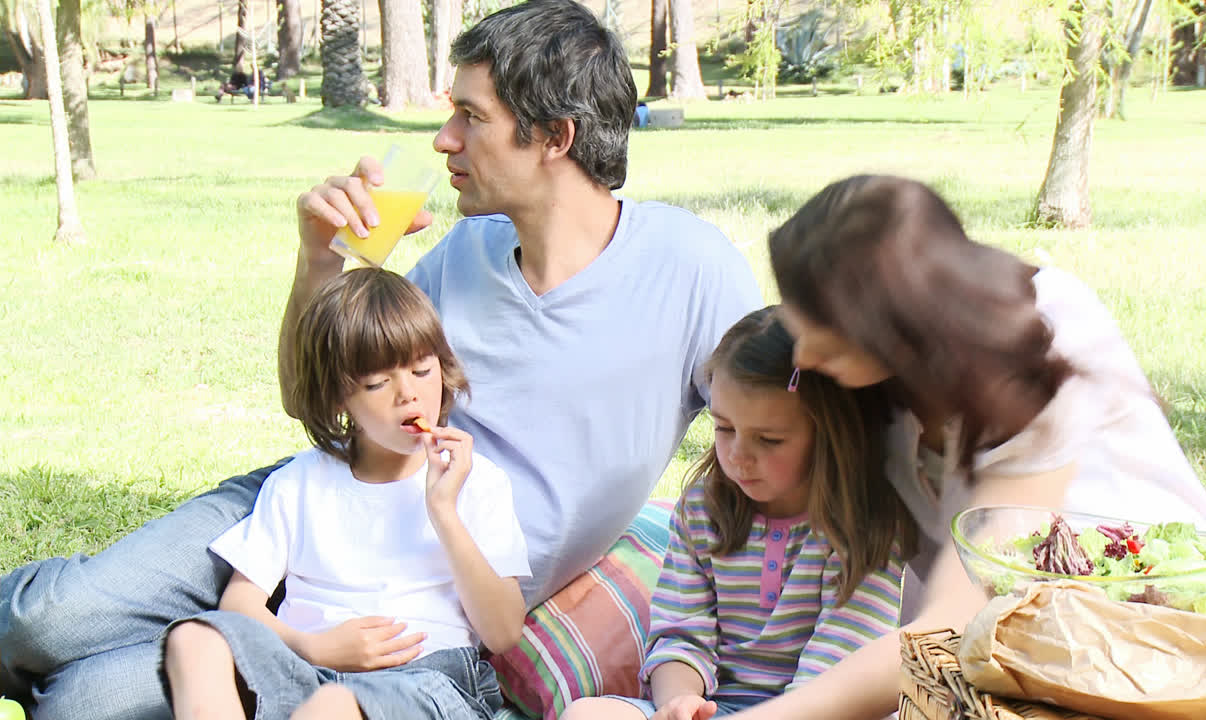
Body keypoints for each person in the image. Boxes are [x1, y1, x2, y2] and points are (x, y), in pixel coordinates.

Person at [0, 1, 761, 717]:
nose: (442, 140)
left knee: (89, 698)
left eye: (471, 116)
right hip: (322, 502)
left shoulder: (689, 267)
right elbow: (317, 397)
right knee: (43, 621)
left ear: (554, 137)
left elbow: (794, 427)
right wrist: (320, 262)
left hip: (428, 595)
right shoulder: (468, 249)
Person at [716, 174, 1206, 720]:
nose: (805, 352)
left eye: (822, 326)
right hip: (986, 647)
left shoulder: (1040, 338)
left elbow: (961, 614)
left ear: (893, 322)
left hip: (1140, 632)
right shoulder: (858, 377)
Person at [163, 268, 527, 720]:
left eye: (421, 370)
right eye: (377, 384)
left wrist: (443, 511)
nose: (408, 394)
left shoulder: (477, 481)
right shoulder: (301, 482)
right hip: (307, 667)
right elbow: (239, 603)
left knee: (334, 706)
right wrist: (313, 646)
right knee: (193, 640)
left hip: (425, 680)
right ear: (338, 397)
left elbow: (504, 631)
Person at [562, 307, 912, 720]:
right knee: (588, 715)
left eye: (769, 439)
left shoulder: (864, 525)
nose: (738, 457)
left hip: (823, 710)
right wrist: (679, 700)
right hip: (721, 708)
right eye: (724, 428)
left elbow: (840, 664)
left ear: (831, 435)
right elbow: (681, 632)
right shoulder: (704, 508)